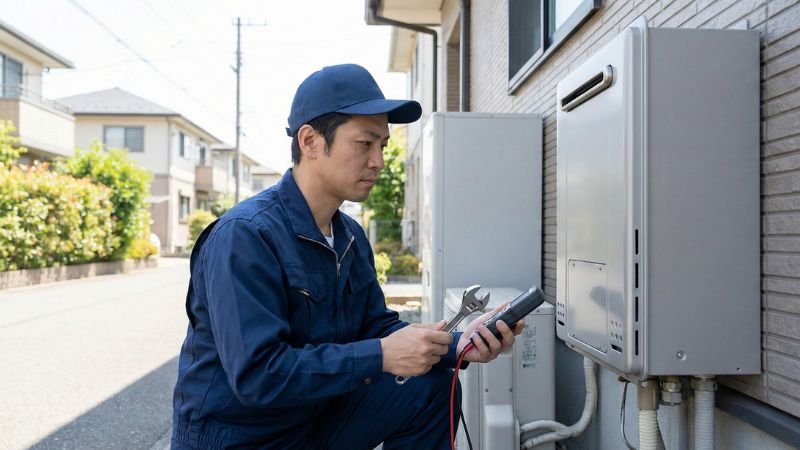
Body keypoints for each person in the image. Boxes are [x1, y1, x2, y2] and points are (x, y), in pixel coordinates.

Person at [171, 63, 524, 450]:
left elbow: (374, 325)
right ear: (310, 142)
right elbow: (259, 375)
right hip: (239, 437)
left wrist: (457, 344)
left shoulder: (349, 235)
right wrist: (380, 356)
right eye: (364, 143)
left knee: (431, 384)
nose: (379, 161)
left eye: (383, 146)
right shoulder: (245, 236)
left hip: (312, 420)